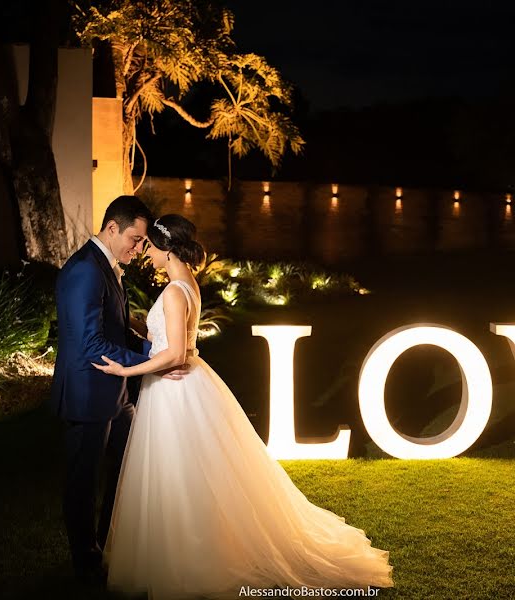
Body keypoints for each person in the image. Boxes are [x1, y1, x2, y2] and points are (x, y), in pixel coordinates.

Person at [93, 214, 394, 598]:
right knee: (187, 472)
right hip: (185, 386)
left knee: (177, 470)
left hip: (175, 391)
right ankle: (187, 546)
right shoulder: (189, 285)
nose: (146, 252)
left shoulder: (172, 291)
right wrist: (137, 326)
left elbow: (175, 353)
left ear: (167, 249)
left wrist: (126, 368)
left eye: (150, 246)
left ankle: (187, 555)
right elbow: (173, 339)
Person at [50, 196, 188, 583]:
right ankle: (85, 561)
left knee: (129, 467)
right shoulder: (85, 272)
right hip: (88, 395)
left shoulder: (107, 268)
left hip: (116, 395)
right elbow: (91, 345)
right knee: (83, 481)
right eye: (135, 238)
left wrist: (160, 354)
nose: (139, 248)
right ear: (112, 228)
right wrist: (149, 367)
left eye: (144, 242)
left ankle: (108, 542)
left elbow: (117, 332)